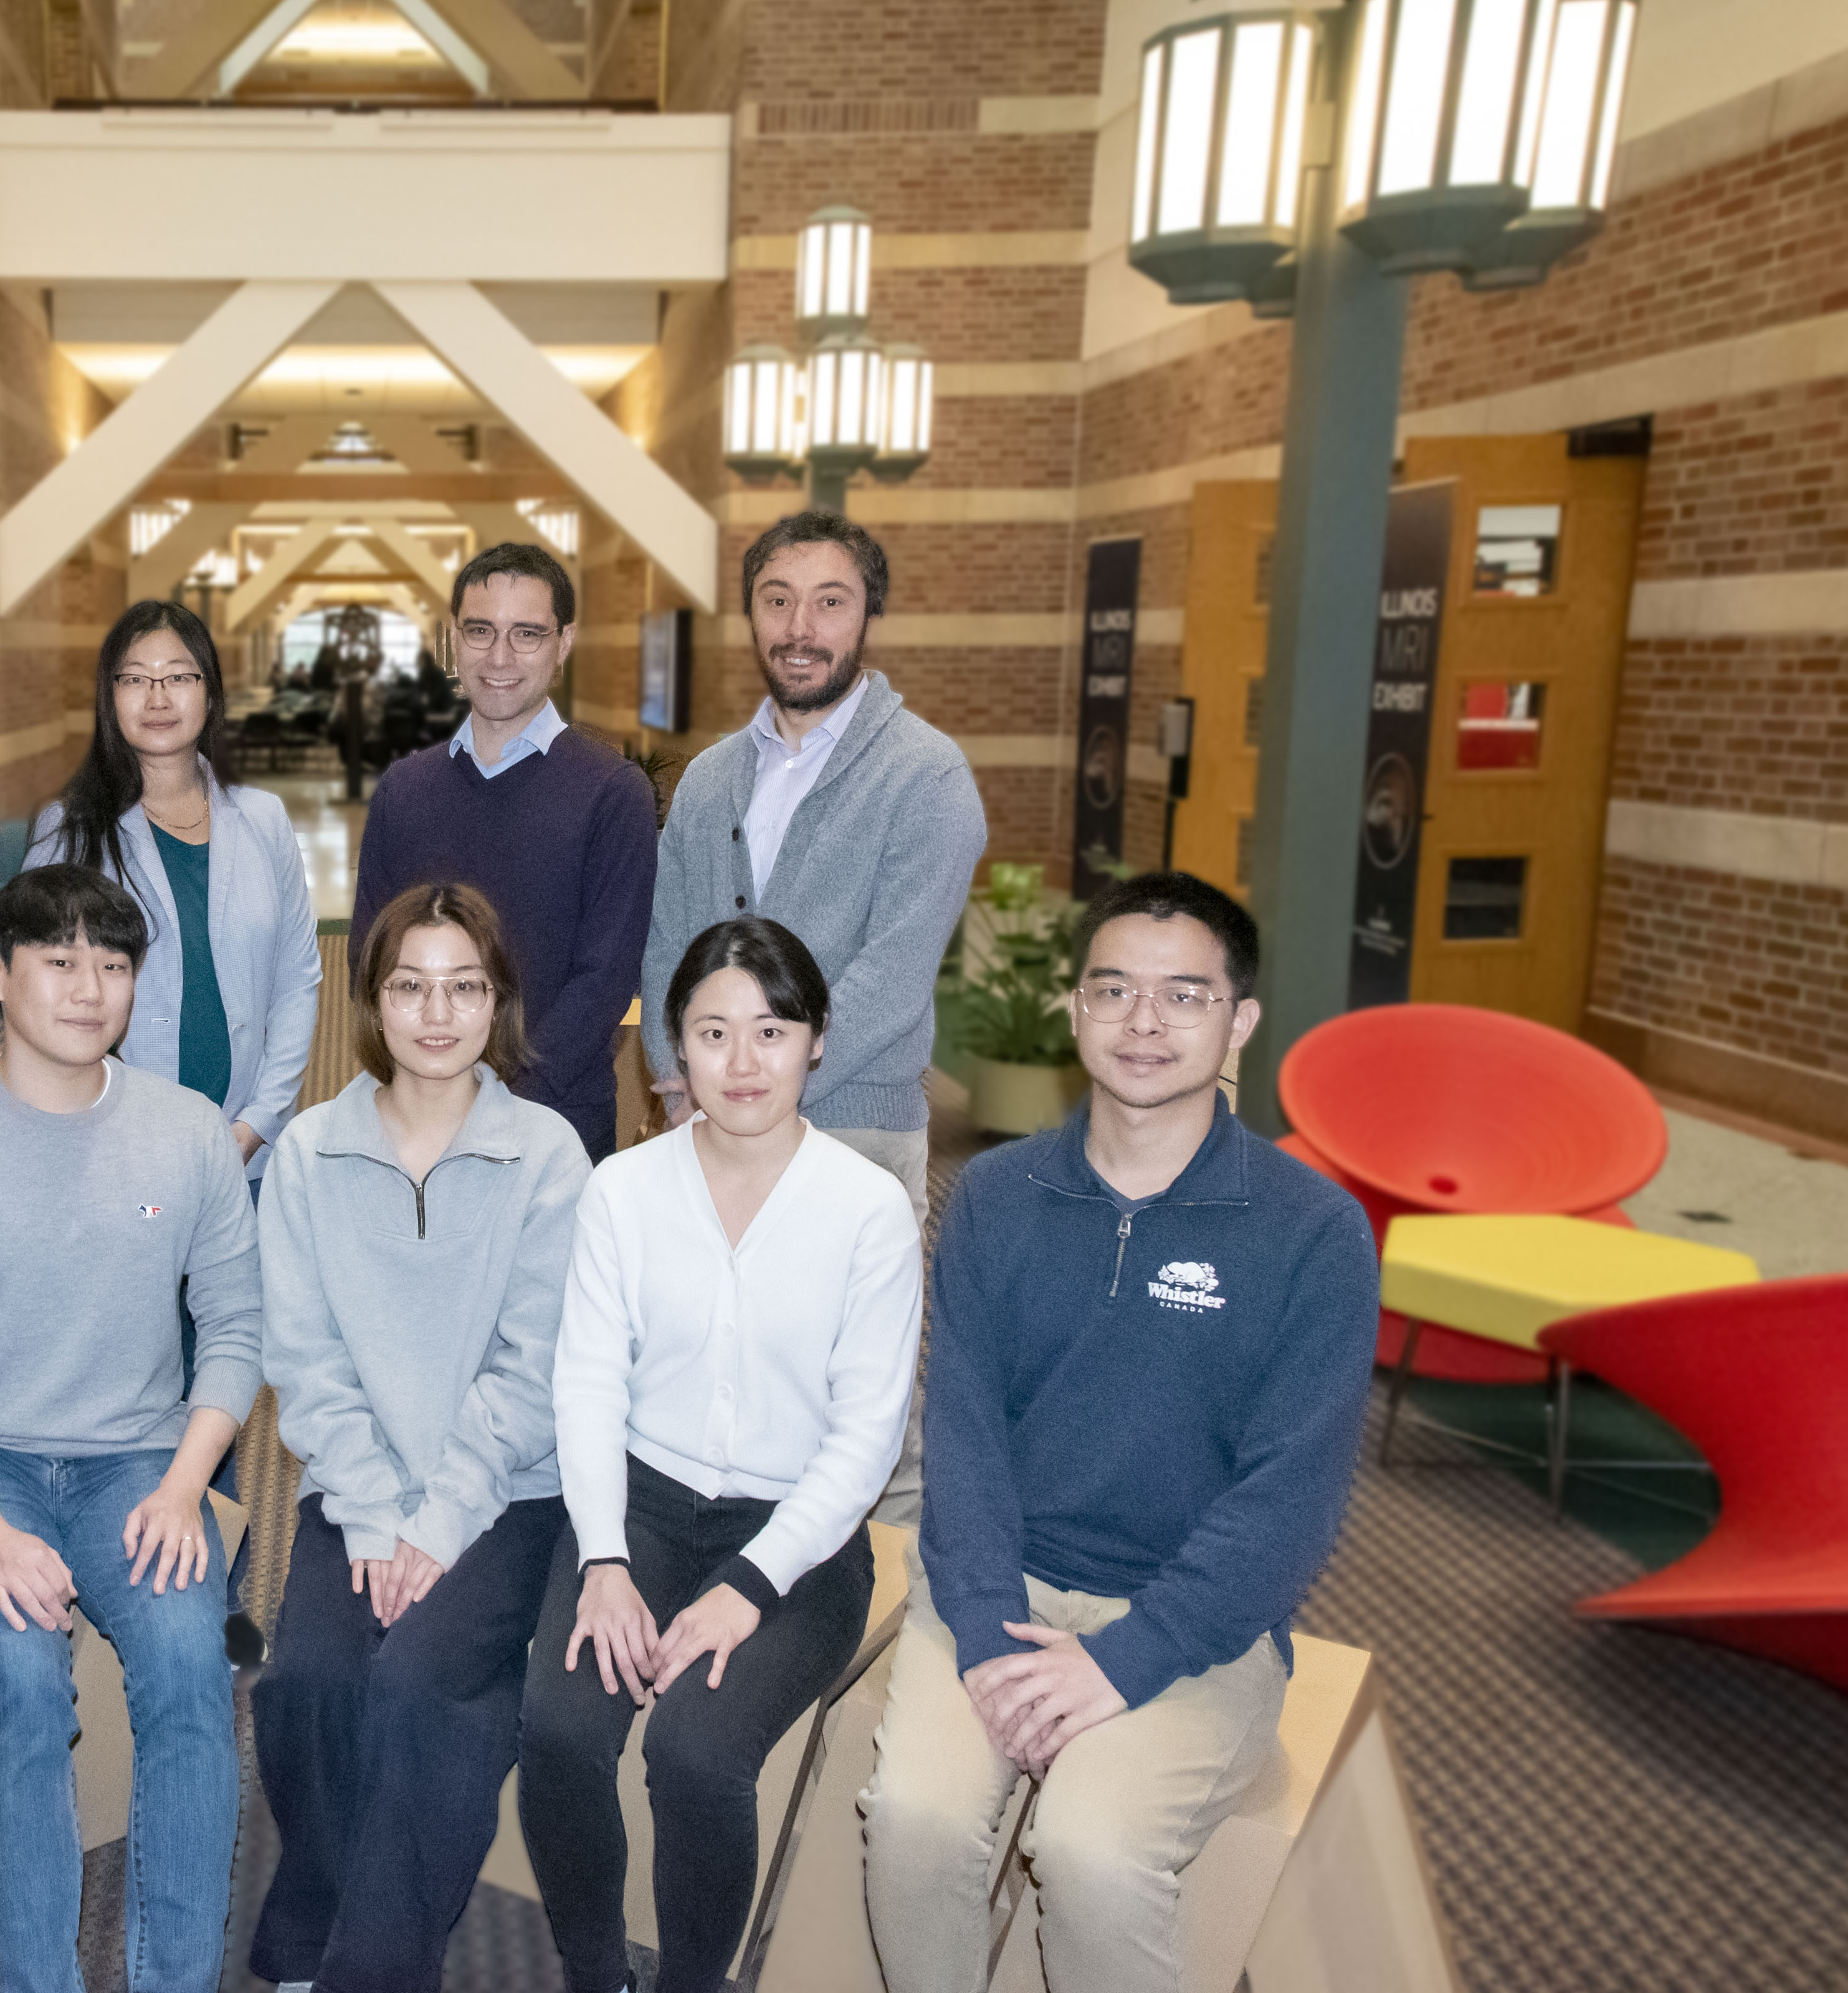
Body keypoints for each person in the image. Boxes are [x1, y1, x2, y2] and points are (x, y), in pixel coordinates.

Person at [859, 873, 1377, 1993]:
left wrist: (1123, 1661)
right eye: (1115, 991)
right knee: (913, 1820)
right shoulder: (994, 1196)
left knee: (1090, 1852)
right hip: (996, 1593)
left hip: (1192, 1627)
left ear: (1239, 1022)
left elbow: (1288, 1503)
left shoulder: (1314, 1232)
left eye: (1184, 996)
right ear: (1075, 1008)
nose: (1144, 1023)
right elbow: (965, 1445)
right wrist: (995, 1646)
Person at [0, 863, 260, 1993]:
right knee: (24, 1682)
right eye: (60, 959)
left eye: (114, 964)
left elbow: (234, 1329)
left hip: (137, 1461)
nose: (90, 988)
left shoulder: (186, 1134)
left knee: (188, 1673)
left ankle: (173, 1977)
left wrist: (183, 1487)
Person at [518, 917, 922, 1993]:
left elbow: (867, 1431)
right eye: (712, 1033)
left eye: (772, 1030)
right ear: (674, 1050)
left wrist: (748, 1585)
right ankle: (596, 1973)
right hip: (640, 1507)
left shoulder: (867, 1208)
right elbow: (588, 1384)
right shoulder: (625, 1189)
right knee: (557, 1726)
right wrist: (602, 1559)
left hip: (799, 1536)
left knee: (695, 1752)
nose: (742, 1064)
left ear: (817, 1039)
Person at [249, 882, 593, 1993]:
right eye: (409, 986)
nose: (436, 1013)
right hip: (355, 1491)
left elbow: (532, 1370)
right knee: (304, 1680)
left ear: (498, 1004)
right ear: (373, 1000)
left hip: (506, 1496)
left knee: (419, 1688)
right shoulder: (309, 1154)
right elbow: (305, 1359)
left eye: (464, 987)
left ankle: (368, 1969)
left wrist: (436, 1526)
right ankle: (318, 1916)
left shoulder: (547, 1155)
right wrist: (372, 1512)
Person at [640, 507, 987, 1220]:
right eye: (777, 600)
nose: (800, 628)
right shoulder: (707, 780)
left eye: (830, 602)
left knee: (840, 1335)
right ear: (751, 617)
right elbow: (663, 947)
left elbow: (891, 979)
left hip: (853, 1129)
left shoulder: (926, 777)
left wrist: (753, 1092)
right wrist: (683, 1081)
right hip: (703, 1126)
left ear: (866, 616)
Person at [352, 542, 659, 1159]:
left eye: (526, 634)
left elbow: (603, 982)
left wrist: (494, 1107)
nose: (498, 656)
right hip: (416, 1123)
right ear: (453, 640)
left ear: (562, 645)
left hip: (554, 1127)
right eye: (479, 631)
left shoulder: (613, 793)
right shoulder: (402, 790)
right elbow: (372, 959)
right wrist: (431, 1095)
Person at [27, 599, 319, 1184]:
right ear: (109, 698)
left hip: (248, 1152)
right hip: (112, 1148)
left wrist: (258, 1123)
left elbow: (298, 980)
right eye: (135, 679)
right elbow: (38, 994)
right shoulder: (71, 831)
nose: (157, 698)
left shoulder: (263, 820)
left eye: (179, 677)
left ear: (209, 693)